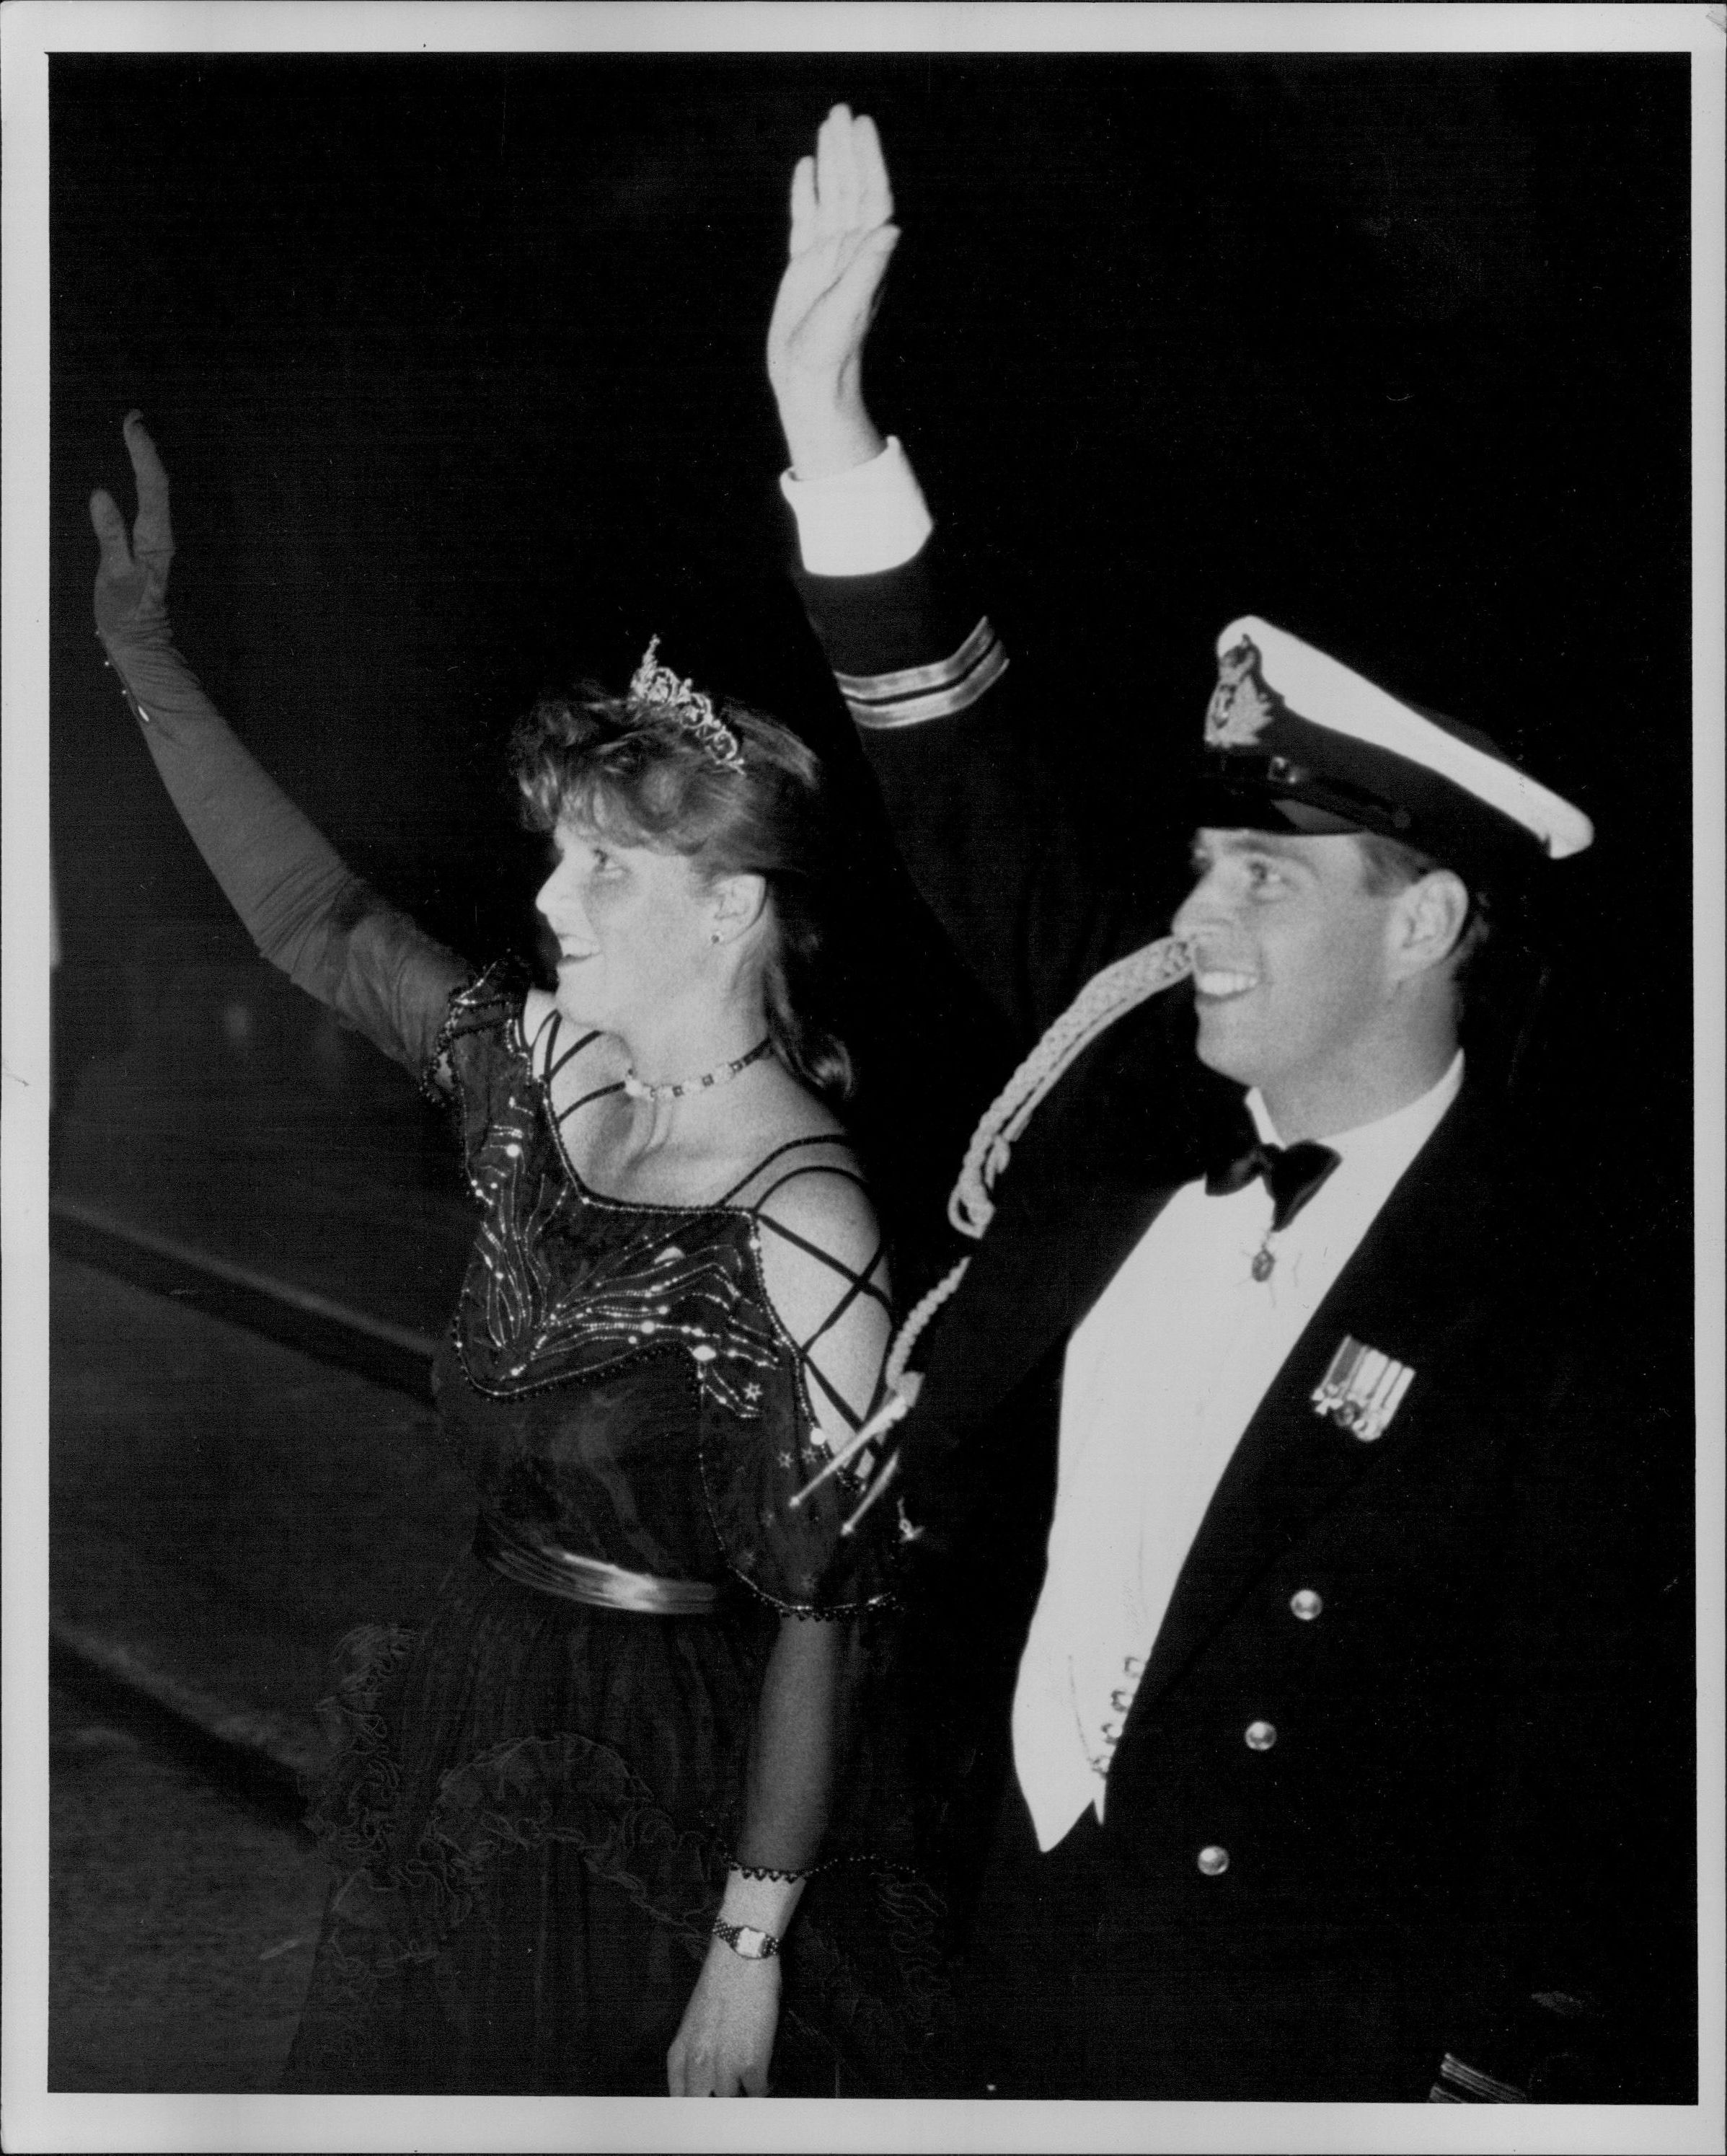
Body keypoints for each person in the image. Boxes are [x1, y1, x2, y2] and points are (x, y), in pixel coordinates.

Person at [759, 105, 1694, 2103]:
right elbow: (969, 793)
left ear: (1427, 913)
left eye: (1261, 877)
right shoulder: (1126, 1105)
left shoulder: (1562, 1296)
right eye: (1195, 869)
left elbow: (1583, 1762)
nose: (1191, 922)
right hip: (996, 1977)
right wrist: (829, 427)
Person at [87, 412, 945, 2096]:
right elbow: (314, 922)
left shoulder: (804, 1220)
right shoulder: (534, 1077)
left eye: (603, 862)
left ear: (727, 907)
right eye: (558, 847)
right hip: (485, 1703)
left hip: (670, 1798)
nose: (551, 894)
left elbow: (823, 1619)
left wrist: (745, 1962)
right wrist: (143, 657)